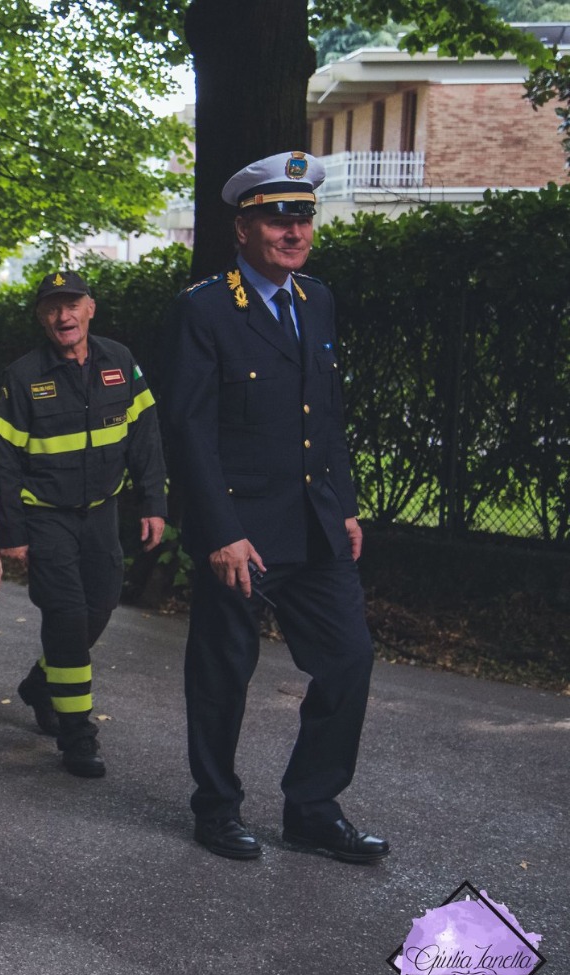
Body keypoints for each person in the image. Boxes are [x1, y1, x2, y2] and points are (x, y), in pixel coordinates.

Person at [162, 151, 387, 865]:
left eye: (303, 216)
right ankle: (217, 807)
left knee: (350, 659)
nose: (293, 230)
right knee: (224, 669)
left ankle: (313, 808)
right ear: (244, 228)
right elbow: (190, 430)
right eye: (276, 217)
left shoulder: (317, 300)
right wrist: (221, 532)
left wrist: (345, 508)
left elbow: (326, 414)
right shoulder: (203, 309)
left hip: (317, 524)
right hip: (241, 531)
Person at [0, 270, 167, 778]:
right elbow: (4, 459)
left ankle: (41, 682)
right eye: (51, 307)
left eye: (72, 305)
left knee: (102, 606)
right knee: (67, 618)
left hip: (102, 513)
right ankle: (77, 735)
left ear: (90, 308)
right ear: (41, 317)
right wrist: (13, 532)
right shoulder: (23, 376)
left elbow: (145, 436)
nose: (62, 316)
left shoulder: (120, 361)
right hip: (46, 517)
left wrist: (154, 501)